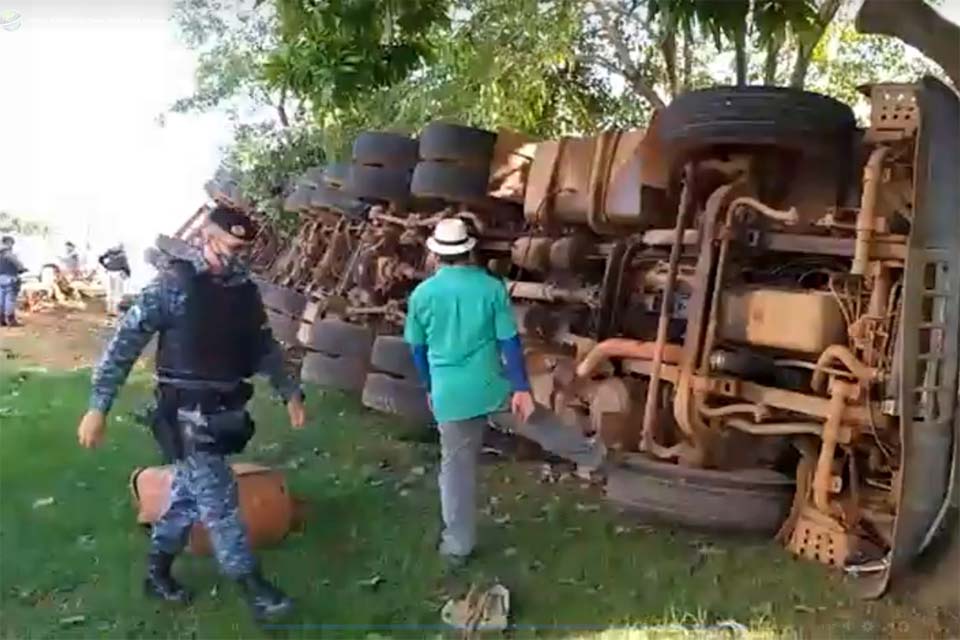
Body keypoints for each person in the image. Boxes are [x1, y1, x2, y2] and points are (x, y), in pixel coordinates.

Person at [76, 206, 307, 621]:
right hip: (184, 413)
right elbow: (124, 343)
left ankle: (157, 574)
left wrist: (289, 392)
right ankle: (256, 591)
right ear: (206, 235)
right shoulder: (173, 285)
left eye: (245, 250)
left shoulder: (244, 291)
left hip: (225, 411)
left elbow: (263, 346)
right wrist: (98, 406)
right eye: (233, 246)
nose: (238, 257)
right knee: (220, 504)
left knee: (186, 499)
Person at [404, 218, 606, 565]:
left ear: (436, 255)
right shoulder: (490, 287)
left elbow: (417, 350)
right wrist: (521, 388)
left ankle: (457, 545)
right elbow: (509, 343)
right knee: (543, 425)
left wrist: (429, 387)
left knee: (456, 470)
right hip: (492, 388)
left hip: (450, 395)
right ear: (470, 251)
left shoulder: (422, 295)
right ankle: (595, 458)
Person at [0, 235, 27, 326]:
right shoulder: (8, 253)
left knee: (1, 299)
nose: (12, 246)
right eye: (12, 243)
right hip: (10, 278)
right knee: (10, 299)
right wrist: (22, 269)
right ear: (8, 243)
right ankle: (11, 319)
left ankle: (1, 319)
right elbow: (18, 265)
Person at [98, 244, 130, 316]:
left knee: (110, 291)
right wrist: (128, 273)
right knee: (118, 292)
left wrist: (106, 266)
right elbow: (125, 265)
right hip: (118, 273)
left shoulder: (109, 252)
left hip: (109, 272)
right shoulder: (123, 255)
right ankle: (115, 311)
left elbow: (100, 259)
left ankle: (109, 310)